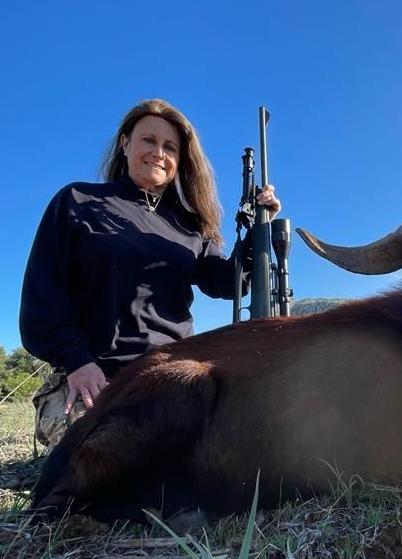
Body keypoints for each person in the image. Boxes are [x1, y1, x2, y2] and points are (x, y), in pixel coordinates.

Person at [20, 99, 279, 447]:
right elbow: (43, 296)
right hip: (95, 374)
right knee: (99, 457)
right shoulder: (77, 201)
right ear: (125, 144)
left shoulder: (190, 225)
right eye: (149, 140)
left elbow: (227, 283)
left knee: (228, 451)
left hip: (171, 375)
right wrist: (78, 362)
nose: (159, 153)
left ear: (180, 160)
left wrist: (258, 231)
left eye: (170, 147)